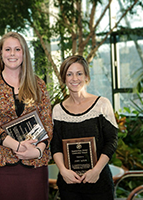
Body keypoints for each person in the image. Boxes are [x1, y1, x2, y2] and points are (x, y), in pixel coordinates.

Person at [0, 31, 53, 200]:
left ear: (24, 53)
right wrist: (17, 146)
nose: (12, 54)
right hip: (1, 165)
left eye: (17, 49)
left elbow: (47, 122)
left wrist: (38, 152)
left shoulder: (38, 84)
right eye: (8, 49)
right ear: (0, 53)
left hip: (35, 164)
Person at [50, 55, 118, 200]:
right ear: (63, 78)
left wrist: (96, 170)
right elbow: (55, 146)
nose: (74, 78)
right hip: (69, 185)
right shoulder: (57, 110)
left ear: (86, 76)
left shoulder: (102, 105)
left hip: (99, 182)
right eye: (69, 74)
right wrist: (63, 170)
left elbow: (111, 141)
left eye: (79, 73)